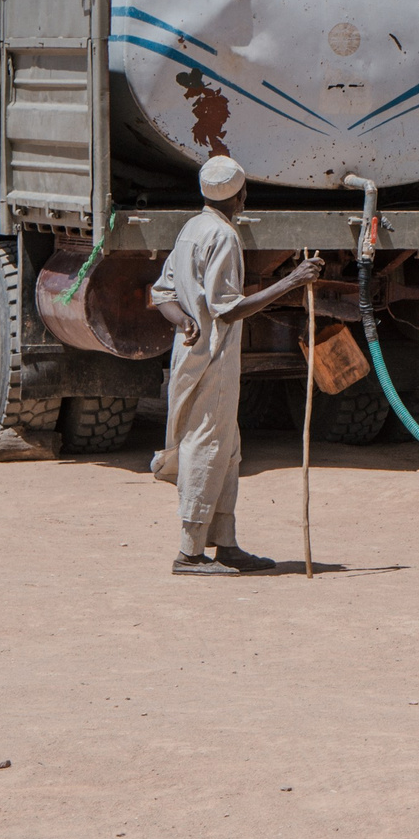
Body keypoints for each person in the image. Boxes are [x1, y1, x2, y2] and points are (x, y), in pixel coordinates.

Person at [149, 155, 322, 574]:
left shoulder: (192, 228)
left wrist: (186, 319)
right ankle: (190, 552)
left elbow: (163, 294)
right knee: (207, 445)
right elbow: (227, 310)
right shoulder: (223, 237)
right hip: (214, 357)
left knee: (227, 448)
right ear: (241, 195)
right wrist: (291, 282)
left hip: (192, 351)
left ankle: (225, 543)